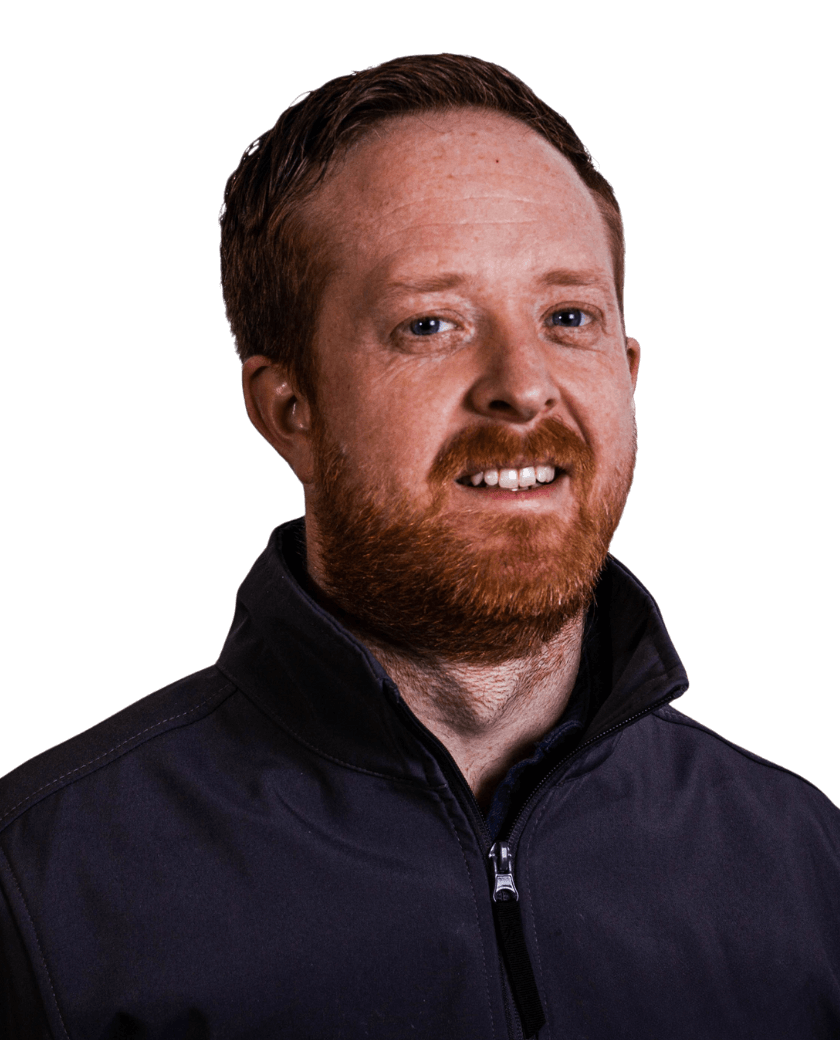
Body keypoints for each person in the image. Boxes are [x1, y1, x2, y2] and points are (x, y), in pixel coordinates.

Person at [1, 54, 837, 1040]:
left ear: (628, 371)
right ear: (290, 408)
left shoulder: (807, 858)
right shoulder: (41, 884)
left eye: (569, 317)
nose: (522, 386)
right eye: (431, 324)